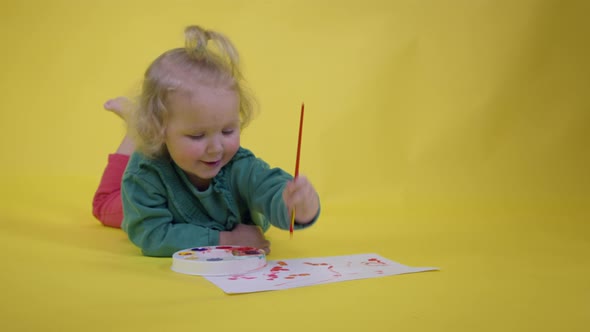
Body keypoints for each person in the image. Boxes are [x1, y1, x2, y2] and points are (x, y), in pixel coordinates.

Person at [92, 25, 320, 257]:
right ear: (158, 129)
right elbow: (151, 234)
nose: (216, 148)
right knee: (103, 205)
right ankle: (135, 128)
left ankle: (140, 124)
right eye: (197, 135)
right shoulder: (144, 177)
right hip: (149, 201)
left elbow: (269, 188)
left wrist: (297, 207)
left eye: (228, 131)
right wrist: (224, 240)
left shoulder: (239, 165)